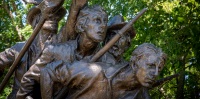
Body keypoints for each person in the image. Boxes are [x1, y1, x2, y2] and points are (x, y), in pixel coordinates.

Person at [16, 5, 108, 99]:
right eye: (97, 20)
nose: (103, 26)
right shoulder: (55, 51)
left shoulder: (106, 59)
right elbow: (28, 80)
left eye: (105, 21)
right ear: (81, 25)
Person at [38, 43, 167, 99]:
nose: (155, 73)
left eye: (159, 69)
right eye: (150, 66)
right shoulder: (95, 72)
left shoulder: (140, 93)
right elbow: (49, 71)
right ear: (134, 63)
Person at [0, 6, 65, 99]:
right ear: (36, 21)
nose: (54, 17)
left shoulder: (62, 50)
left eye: (56, 16)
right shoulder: (19, 48)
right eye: (49, 14)